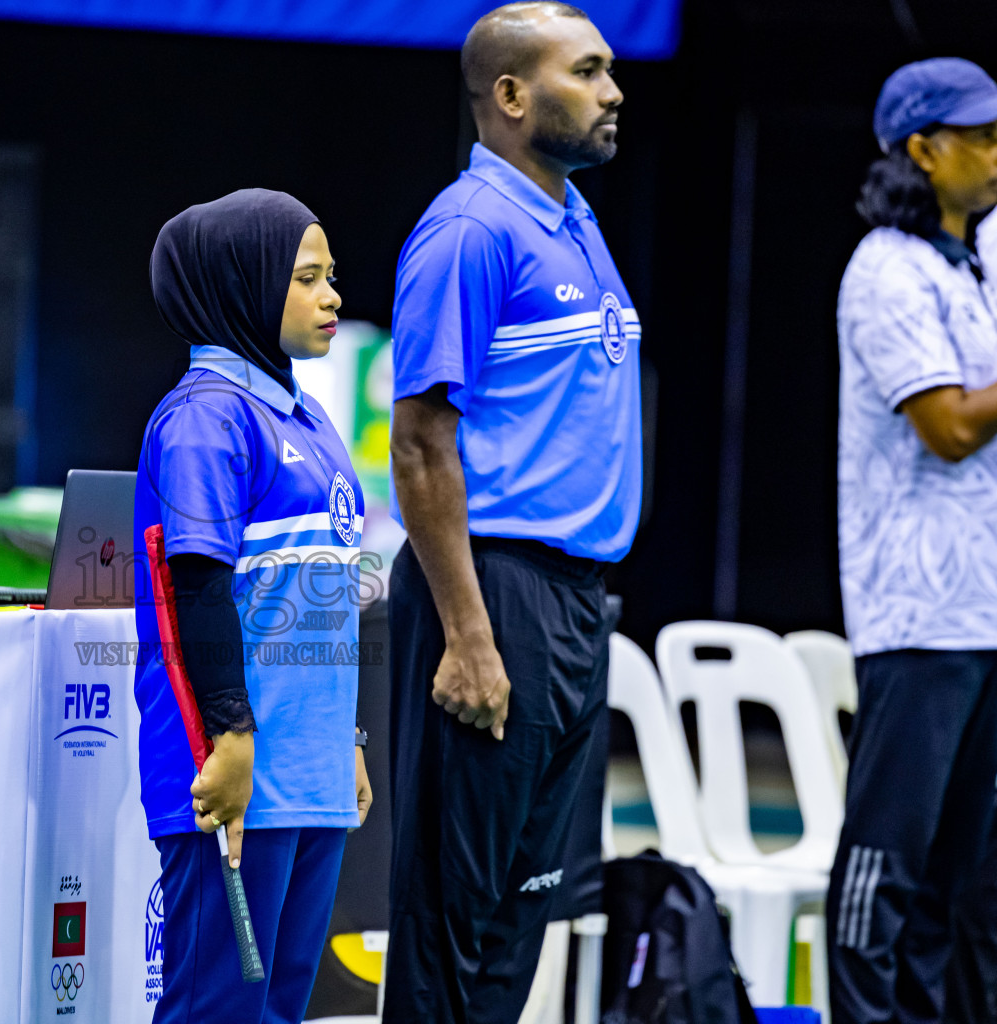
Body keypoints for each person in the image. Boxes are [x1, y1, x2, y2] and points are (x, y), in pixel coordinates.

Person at [383, 4, 640, 1022]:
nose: (614, 91)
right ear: (511, 96)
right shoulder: (468, 231)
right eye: (588, 72)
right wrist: (470, 635)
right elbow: (419, 444)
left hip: (573, 603)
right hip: (493, 594)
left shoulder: (571, 215)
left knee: (522, 911)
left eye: (612, 69)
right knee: (457, 916)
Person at [133, 189, 373, 1024]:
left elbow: (320, 604)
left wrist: (344, 740)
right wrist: (231, 740)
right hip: (233, 774)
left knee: (277, 1013)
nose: (333, 296)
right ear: (244, 286)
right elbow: (195, 586)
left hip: (307, 779)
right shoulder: (206, 418)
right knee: (216, 1014)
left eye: (331, 276)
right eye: (307, 278)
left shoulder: (308, 418)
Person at [832, 57, 997, 1024]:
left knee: (957, 873)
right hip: (917, 617)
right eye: (981, 135)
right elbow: (948, 426)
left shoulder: (971, 264)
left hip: (981, 616)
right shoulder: (885, 270)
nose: (996, 151)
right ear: (925, 152)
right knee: (885, 867)